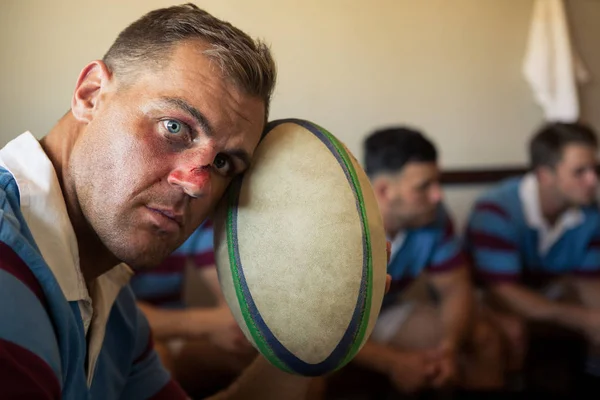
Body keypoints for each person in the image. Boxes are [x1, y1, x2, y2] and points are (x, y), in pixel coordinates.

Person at [0, 3, 317, 398]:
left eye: (222, 162)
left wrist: (314, 333)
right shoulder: (6, 266)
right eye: (174, 127)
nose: (197, 184)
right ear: (91, 94)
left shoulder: (114, 305)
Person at [347, 127, 505, 394]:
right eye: (424, 186)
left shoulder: (433, 216)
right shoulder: (340, 226)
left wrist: (449, 347)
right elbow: (313, 329)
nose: (437, 195)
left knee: (482, 338)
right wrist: (393, 363)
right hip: (334, 323)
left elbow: (454, 288)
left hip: (385, 312)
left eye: (437, 182)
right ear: (385, 191)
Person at [465, 122, 600, 391]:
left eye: (595, 169)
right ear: (544, 175)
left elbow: (588, 281)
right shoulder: (496, 210)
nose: (593, 180)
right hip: (486, 296)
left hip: (546, 289)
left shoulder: (590, 212)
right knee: (511, 329)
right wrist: (586, 319)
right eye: (580, 172)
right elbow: (502, 291)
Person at [131, 220, 257, 397]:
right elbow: (105, 312)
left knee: (258, 358)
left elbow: (234, 302)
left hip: (175, 336)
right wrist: (207, 324)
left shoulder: (193, 215)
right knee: (156, 356)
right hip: (129, 338)